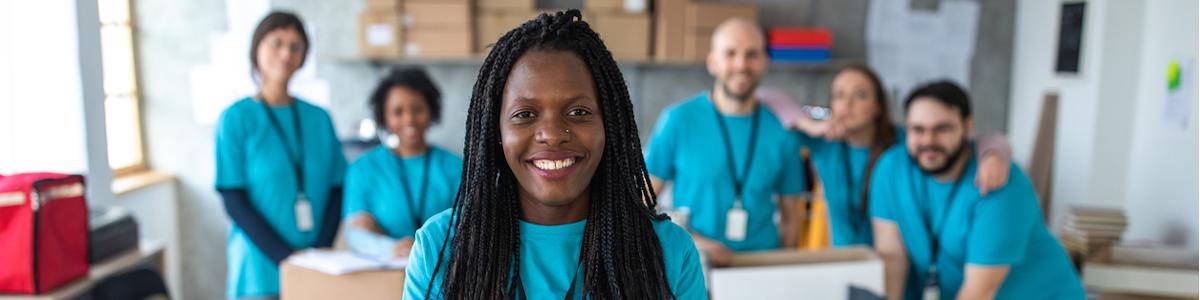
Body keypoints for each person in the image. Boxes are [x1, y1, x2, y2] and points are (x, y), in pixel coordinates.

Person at [404, 10, 707, 299]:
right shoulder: (440, 248)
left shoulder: (668, 251)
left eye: (578, 111)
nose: (550, 133)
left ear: (610, 124)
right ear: (494, 130)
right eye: (524, 113)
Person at [870, 81, 1084, 300]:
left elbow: (979, 292)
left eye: (942, 129)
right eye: (918, 129)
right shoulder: (891, 168)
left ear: (968, 126)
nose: (928, 141)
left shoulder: (999, 184)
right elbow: (893, 258)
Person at [759, 65, 1015, 247]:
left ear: (877, 105)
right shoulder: (825, 143)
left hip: (899, 260)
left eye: (859, 95)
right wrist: (809, 124)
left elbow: (988, 139)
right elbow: (764, 97)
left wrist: (993, 154)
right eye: (839, 95)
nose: (846, 104)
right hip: (846, 262)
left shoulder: (906, 140)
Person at [645, 18, 806, 266]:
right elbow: (642, 205)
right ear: (713, 62)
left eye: (751, 54)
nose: (741, 64)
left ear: (764, 62)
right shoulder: (678, 121)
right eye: (730, 53)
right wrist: (697, 242)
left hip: (761, 268)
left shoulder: (782, 132)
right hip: (693, 266)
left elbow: (791, 220)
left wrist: (782, 274)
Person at [213, 11, 346, 299]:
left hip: (315, 265)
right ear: (256, 48)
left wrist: (316, 252)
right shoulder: (236, 119)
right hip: (258, 270)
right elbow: (233, 198)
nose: (286, 52)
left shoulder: (319, 118)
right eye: (277, 42)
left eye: (295, 46)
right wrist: (285, 256)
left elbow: (337, 189)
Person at [342, 68, 463, 259]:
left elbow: (468, 226)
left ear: (431, 111)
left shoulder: (455, 167)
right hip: (384, 275)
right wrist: (391, 248)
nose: (409, 119)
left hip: (444, 270)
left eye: (417, 109)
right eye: (398, 112)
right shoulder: (363, 168)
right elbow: (355, 234)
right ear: (385, 117)